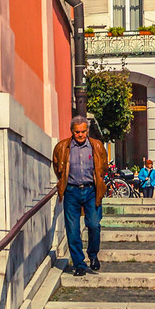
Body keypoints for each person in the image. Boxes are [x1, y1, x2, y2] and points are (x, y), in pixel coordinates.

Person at [52, 115, 108, 277]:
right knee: (73, 229)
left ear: (87, 131)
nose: (81, 135)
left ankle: (93, 255)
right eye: (77, 132)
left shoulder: (96, 146)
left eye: (83, 131)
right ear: (72, 132)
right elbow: (57, 167)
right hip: (71, 191)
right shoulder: (63, 147)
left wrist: (98, 181)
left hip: (91, 190)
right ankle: (79, 263)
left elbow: (103, 166)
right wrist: (64, 182)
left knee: (94, 225)